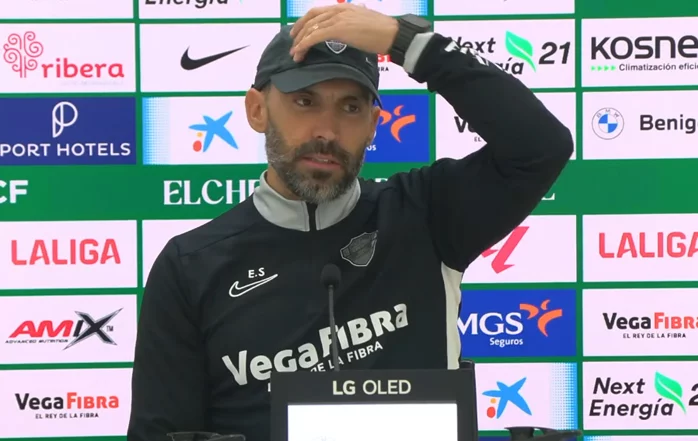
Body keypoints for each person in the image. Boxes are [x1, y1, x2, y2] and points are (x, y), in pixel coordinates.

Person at [127, 4, 573, 441]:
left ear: (375, 124)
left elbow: (541, 147)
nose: (327, 130)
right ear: (257, 110)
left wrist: (409, 43)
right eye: (305, 102)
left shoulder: (426, 212)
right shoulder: (191, 265)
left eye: (351, 107)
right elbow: (161, 433)